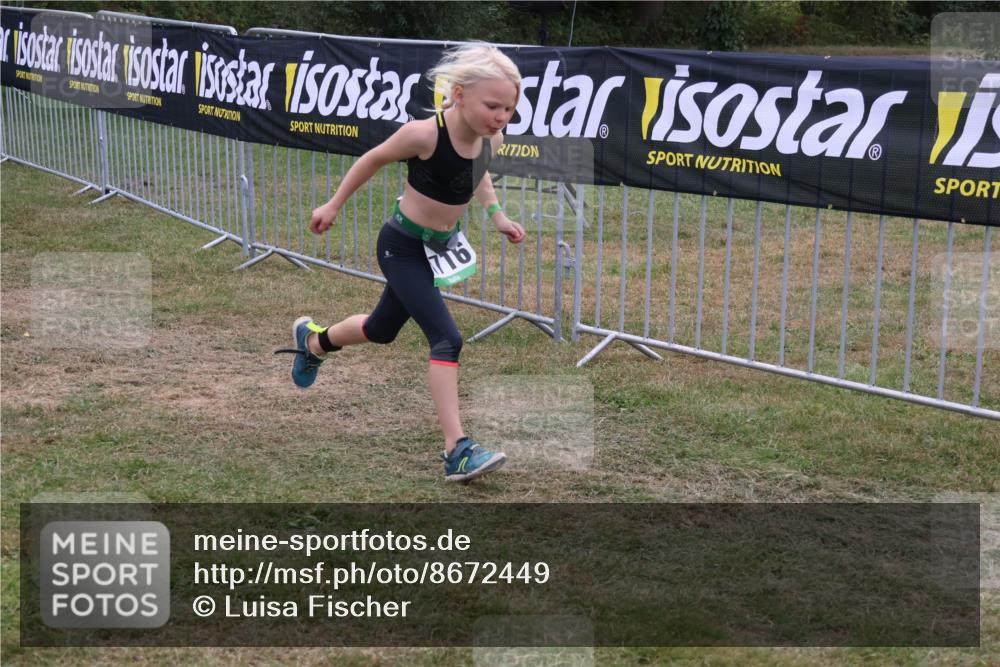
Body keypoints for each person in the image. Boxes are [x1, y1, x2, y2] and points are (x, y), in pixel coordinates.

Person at [276, 43, 526, 483]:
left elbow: (479, 173)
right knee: (446, 338)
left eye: (509, 108)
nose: (501, 116)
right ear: (459, 94)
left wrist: (497, 215)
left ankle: (314, 342)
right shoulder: (423, 134)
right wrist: (333, 205)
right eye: (492, 106)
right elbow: (372, 159)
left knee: (381, 329)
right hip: (402, 246)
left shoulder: (492, 138)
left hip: (437, 250)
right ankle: (457, 450)